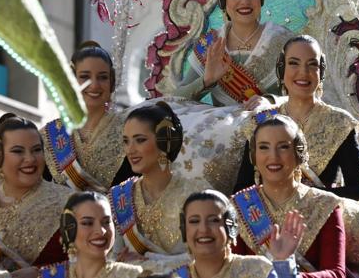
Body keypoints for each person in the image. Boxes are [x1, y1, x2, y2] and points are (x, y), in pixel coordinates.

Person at [235, 35, 359, 201]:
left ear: (321, 72)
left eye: (312, 64)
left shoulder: (340, 123)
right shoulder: (260, 122)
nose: (303, 72)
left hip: (320, 219)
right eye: (293, 63)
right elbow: (242, 188)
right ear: (281, 70)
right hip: (268, 222)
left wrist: (303, 198)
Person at [232, 115, 346, 278]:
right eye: (264, 147)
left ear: (298, 153)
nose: (273, 156)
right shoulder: (238, 207)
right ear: (253, 156)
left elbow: (336, 274)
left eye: (283, 147)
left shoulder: (325, 205)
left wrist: (288, 272)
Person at [0, 113, 72, 277]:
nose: (30, 159)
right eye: (18, 151)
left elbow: (91, 267)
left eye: (36, 150)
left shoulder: (71, 203)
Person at [173, 0, 294, 108]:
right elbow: (176, 101)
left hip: (272, 126)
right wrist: (207, 80)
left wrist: (271, 102)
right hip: (223, 128)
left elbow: (308, 95)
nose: (245, 1)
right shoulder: (210, 44)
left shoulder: (284, 41)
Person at [108, 102, 210, 273]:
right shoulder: (119, 196)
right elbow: (113, 259)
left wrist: (150, 262)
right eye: (126, 141)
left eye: (140, 140)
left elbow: (209, 257)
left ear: (165, 142)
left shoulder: (197, 194)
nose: (130, 150)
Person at [41, 41, 136, 192]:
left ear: (111, 82)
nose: (94, 85)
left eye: (102, 77)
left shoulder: (130, 130)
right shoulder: (48, 136)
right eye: (85, 77)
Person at [172, 189, 302, 278]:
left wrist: (283, 262)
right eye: (194, 221)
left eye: (214, 220)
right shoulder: (178, 276)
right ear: (184, 229)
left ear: (230, 227)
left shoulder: (257, 270)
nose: (203, 229)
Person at [38, 192, 144, 278]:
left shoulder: (133, 275)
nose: (101, 231)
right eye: (88, 223)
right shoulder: (50, 275)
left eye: (106, 222)